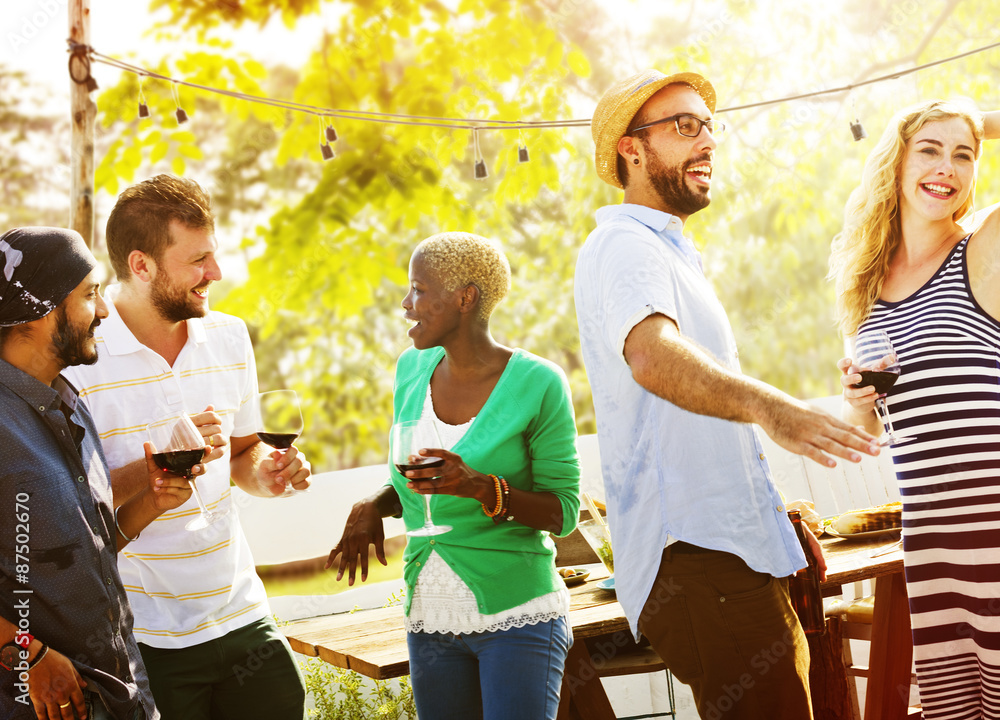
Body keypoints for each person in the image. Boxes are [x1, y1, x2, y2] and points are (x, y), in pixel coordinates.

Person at [575, 69, 882, 719]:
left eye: (709, 126)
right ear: (631, 149)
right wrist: (773, 408)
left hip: (728, 551)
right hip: (698, 556)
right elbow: (652, 357)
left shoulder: (673, 252)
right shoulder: (623, 243)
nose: (707, 141)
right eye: (684, 127)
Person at [63, 176, 311, 720]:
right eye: (198, 260)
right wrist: (161, 461)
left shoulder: (228, 336)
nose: (215, 274)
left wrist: (269, 473)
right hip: (143, 636)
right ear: (142, 264)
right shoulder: (81, 356)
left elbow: (243, 453)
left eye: (213, 256)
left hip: (241, 611)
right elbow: (68, 499)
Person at [327, 232, 580, 720]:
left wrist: (480, 487)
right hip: (429, 615)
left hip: (517, 616)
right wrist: (373, 505)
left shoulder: (539, 382)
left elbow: (562, 512)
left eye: (419, 289)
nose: (406, 304)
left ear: (465, 298)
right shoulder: (411, 368)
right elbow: (419, 481)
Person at [830, 100, 1000, 717]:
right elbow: (869, 425)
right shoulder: (865, 286)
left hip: (996, 523)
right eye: (928, 148)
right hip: (930, 535)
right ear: (896, 162)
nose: (946, 167)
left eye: (964, 154)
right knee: (955, 707)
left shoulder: (983, 247)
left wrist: (974, 117)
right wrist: (857, 401)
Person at [0, 227, 196, 720]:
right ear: (39, 308)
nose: (104, 311)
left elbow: (88, 548)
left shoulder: (69, 403)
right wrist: (31, 655)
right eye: (89, 294)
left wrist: (152, 501)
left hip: (120, 694)